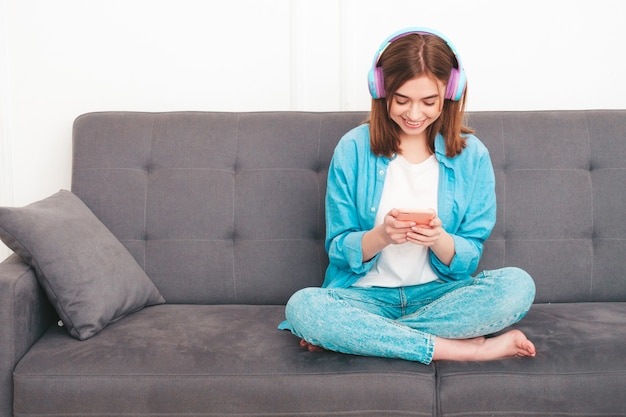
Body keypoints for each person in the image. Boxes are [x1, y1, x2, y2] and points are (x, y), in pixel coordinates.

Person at [279, 27, 536, 364]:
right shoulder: (353, 149)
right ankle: (463, 349)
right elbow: (339, 247)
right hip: (365, 297)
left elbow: (469, 255)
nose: (414, 114)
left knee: (519, 285)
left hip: (440, 297)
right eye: (402, 100)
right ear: (382, 90)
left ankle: (364, 337)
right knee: (304, 307)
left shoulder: (473, 156)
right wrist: (382, 236)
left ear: (450, 93)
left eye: (429, 102)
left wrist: (439, 239)